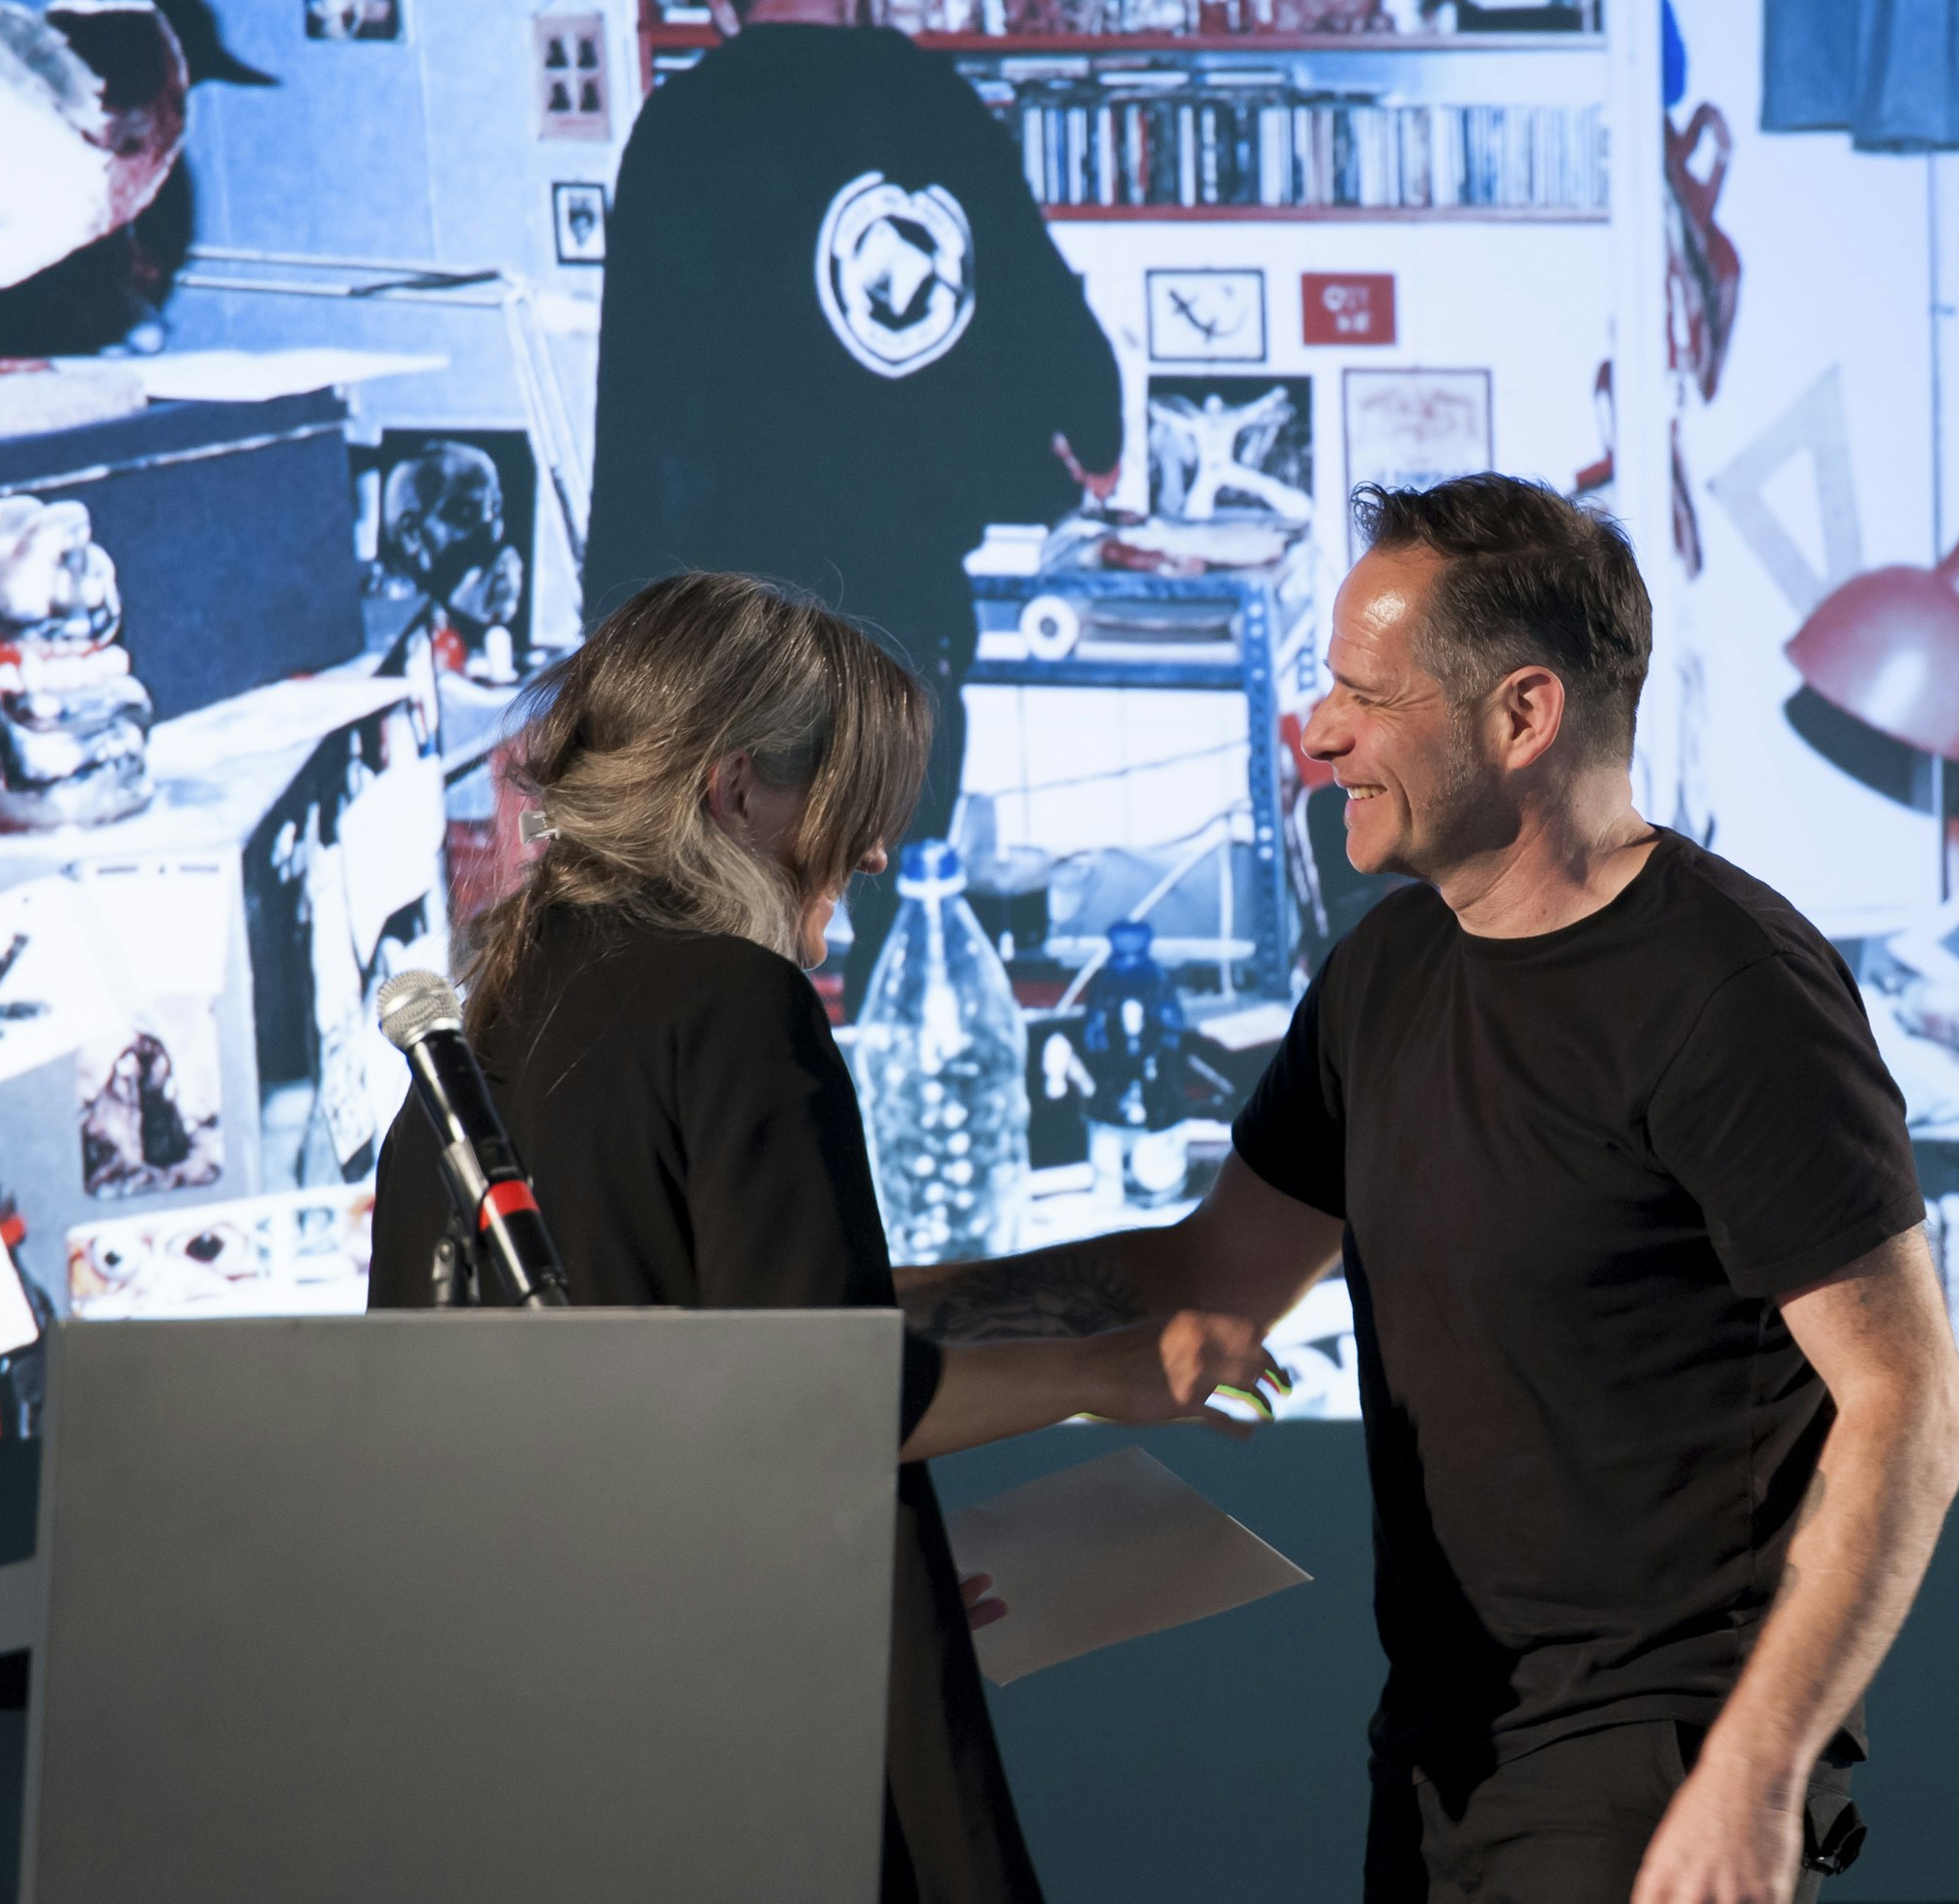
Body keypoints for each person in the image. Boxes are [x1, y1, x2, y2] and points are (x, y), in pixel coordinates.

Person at [895, 477, 1959, 1904]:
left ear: (1523, 717)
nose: (1318, 731)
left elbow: (1911, 1401)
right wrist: (847, 1312)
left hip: (1651, 1765)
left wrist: (1755, 1772)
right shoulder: (1386, 971)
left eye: (1365, 695)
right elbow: (1206, 1276)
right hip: (1438, 1757)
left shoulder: (1730, 991)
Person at [366, 572, 1281, 1904]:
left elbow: (684, 1367)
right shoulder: (733, 1004)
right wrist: (1114, 1371)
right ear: (736, 792)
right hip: (761, 1766)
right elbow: (821, 1394)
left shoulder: (475, 1056)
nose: (877, 855)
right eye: (854, 804)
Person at [583, 0, 1125, 1001]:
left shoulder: (688, 122)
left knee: (731, 952)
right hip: (899, 637)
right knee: (901, 951)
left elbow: (639, 400)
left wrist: (611, 638)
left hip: (736, 646)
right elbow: (1067, 357)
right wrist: (1086, 447)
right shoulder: (934, 104)